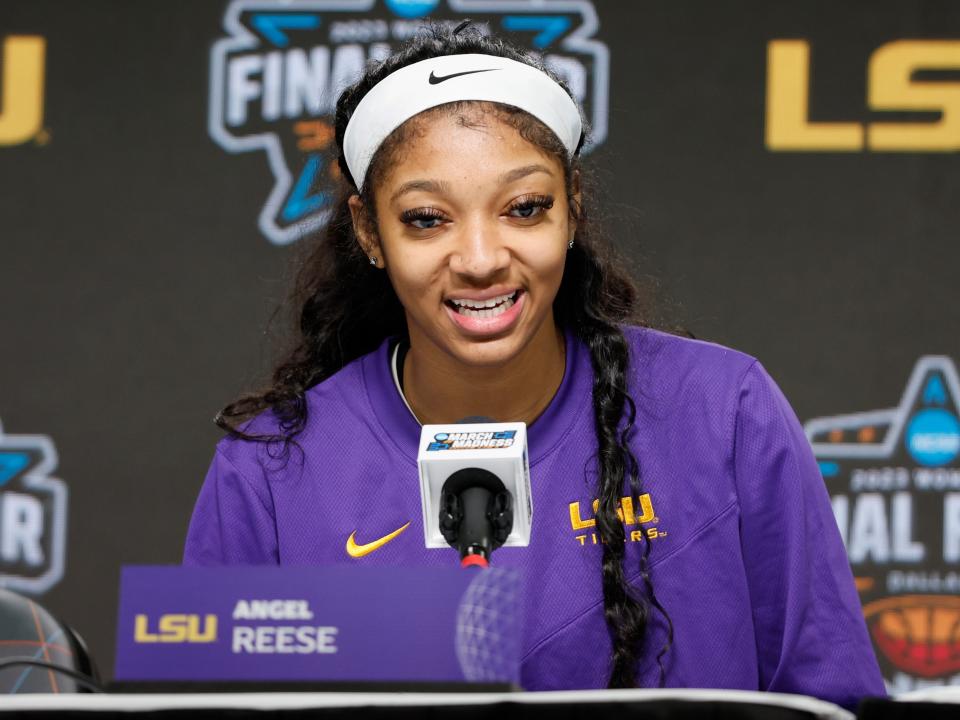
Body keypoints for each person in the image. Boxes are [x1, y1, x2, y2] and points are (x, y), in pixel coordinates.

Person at [184, 24, 885, 705]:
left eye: (524, 208)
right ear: (370, 231)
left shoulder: (724, 412)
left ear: (572, 210)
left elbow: (832, 699)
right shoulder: (268, 474)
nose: (482, 259)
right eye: (427, 218)